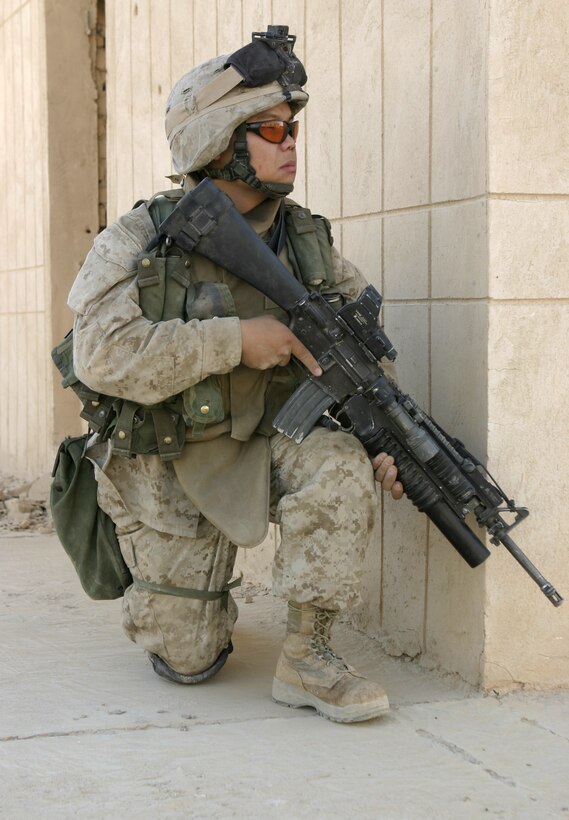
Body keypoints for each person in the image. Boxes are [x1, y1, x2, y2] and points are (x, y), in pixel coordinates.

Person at [67, 25, 402, 724]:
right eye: (270, 129)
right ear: (219, 140)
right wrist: (234, 341)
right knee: (188, 659)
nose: (289, 143)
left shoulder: (308, 242)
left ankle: (308, 655)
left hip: (271, 442)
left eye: (291, 130)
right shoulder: (140, 239)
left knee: (337, 462)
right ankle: (163, 568)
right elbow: (100, 352)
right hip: (169, 459)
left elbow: (367, 363)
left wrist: (388, 439)